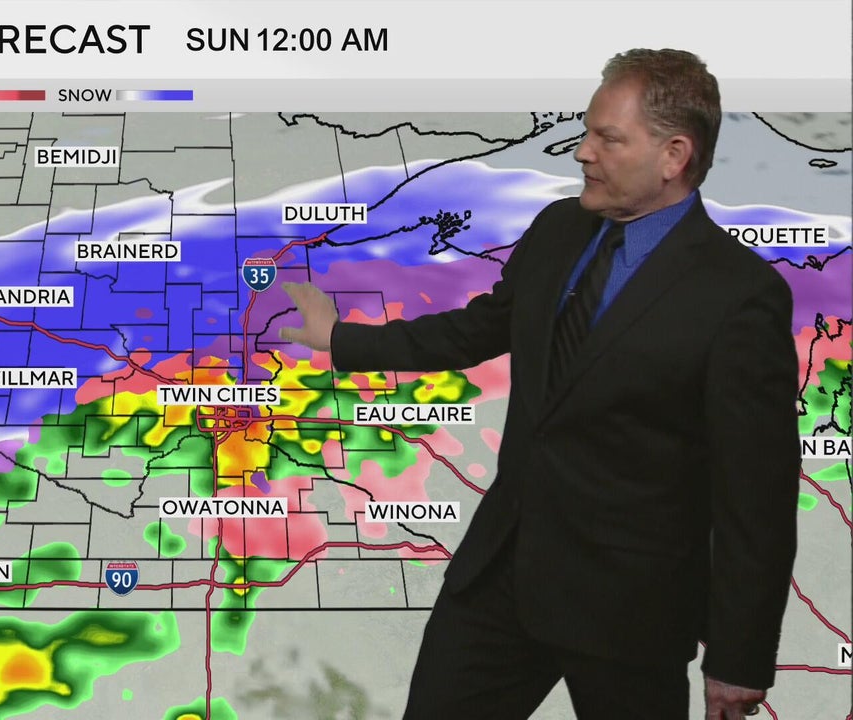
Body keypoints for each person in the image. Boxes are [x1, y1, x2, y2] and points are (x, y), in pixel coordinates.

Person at [280, 49, 800, 720]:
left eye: (608, 138)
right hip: (502, 580)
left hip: (628, 614)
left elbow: (756, 495)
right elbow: (477, 329)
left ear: (674, 155)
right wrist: (342, 340)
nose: (583, 152)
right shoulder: (559, 229)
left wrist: (739, 657)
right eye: (586, 133)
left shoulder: (739, 296)